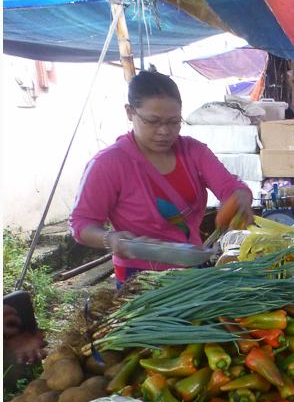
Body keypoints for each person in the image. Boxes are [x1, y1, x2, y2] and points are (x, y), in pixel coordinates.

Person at [69, 70, 253, 286]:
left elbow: (231, 187)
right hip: (138, 276)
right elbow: (81, 223)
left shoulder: (193, 152)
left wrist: (239, 199)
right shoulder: (109, 164)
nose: (164, 131)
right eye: (153, 121)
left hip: (191, 265)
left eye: (174, 121)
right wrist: (111, 239)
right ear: (130, 112)